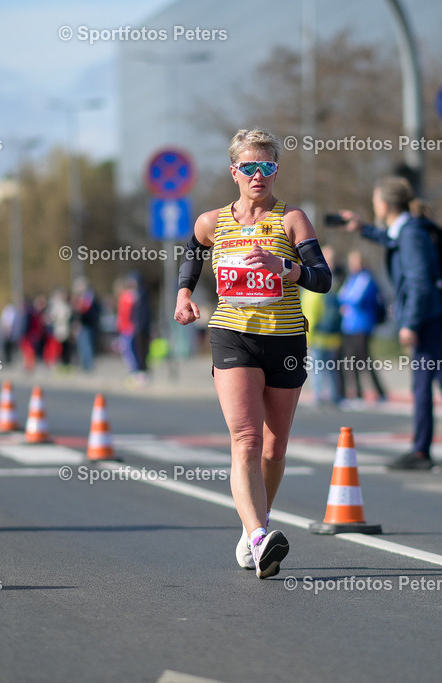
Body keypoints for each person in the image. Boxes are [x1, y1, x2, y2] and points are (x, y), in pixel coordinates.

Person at [174, 128, 331, 579]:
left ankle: (252, 528)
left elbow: (322, 280)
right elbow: (192, 251)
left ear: (276, 172)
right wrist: (184, 293)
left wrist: (285, 267)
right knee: (246, 438)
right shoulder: (213, 221)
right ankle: (261, 536)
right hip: (231, 335)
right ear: (234, 172)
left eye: (267, 167)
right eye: (249, 167)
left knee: (275, 447)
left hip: (283, 338)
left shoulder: (291, 219)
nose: (258, 174)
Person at [342, 177, 442, 470]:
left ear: (386, 204)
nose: (374, 205)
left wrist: (411, 324)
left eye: (376, 200)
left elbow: (419, 282)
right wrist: (362, 228)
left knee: (423, 385)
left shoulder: (411, 233)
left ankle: (421, 452)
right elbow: (389, 239)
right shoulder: (408, 230)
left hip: (429, 319)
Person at [337, 250, 388, 403]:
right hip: (349, 325)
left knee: (364, 360)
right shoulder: (352, 278)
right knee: (351, 360)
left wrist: (346, 303)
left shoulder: (365, 278)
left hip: (362, 325)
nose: (352, 265)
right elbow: (342, 296)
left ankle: (380, 392)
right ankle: (357, 393)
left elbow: (354, 298)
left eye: (355, 262)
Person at [301, 246, 343, 407]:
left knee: (317, 367)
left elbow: (311, 312)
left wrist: (307, 335)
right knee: (331, 368)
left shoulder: (315, 284)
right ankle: (333, 396)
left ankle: (318, 397)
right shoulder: (336, 282)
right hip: (332, 335)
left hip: (318, 334)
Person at [73, 277, 101, 372]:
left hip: (87, 324)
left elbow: (85, 311)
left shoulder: (88, 297)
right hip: (83, 325)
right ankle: (85, 365)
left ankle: (88, 365)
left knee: (86, 345)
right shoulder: (81, 297)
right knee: (82, 345)